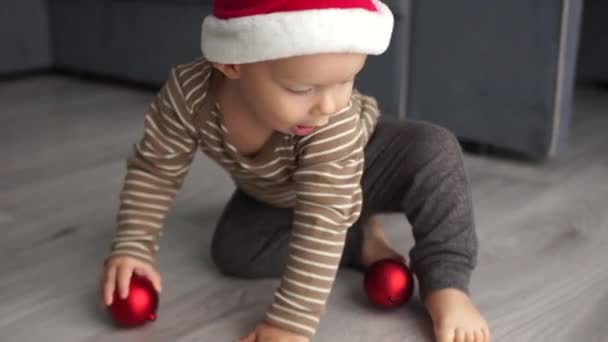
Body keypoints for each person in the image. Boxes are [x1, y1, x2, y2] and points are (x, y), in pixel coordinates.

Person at [98, 1, 491, 341]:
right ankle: (360, 241)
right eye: (302, 89)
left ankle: (447, 285)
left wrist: (290, 324)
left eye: (346, 81)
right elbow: (155, 168)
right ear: (232, 62)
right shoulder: (190, 94)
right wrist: (134, 244)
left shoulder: (330, 121)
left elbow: (323, 212)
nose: (329, 104)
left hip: (370, 167)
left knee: (434, 149)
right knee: (234, 252)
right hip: (281, 192)